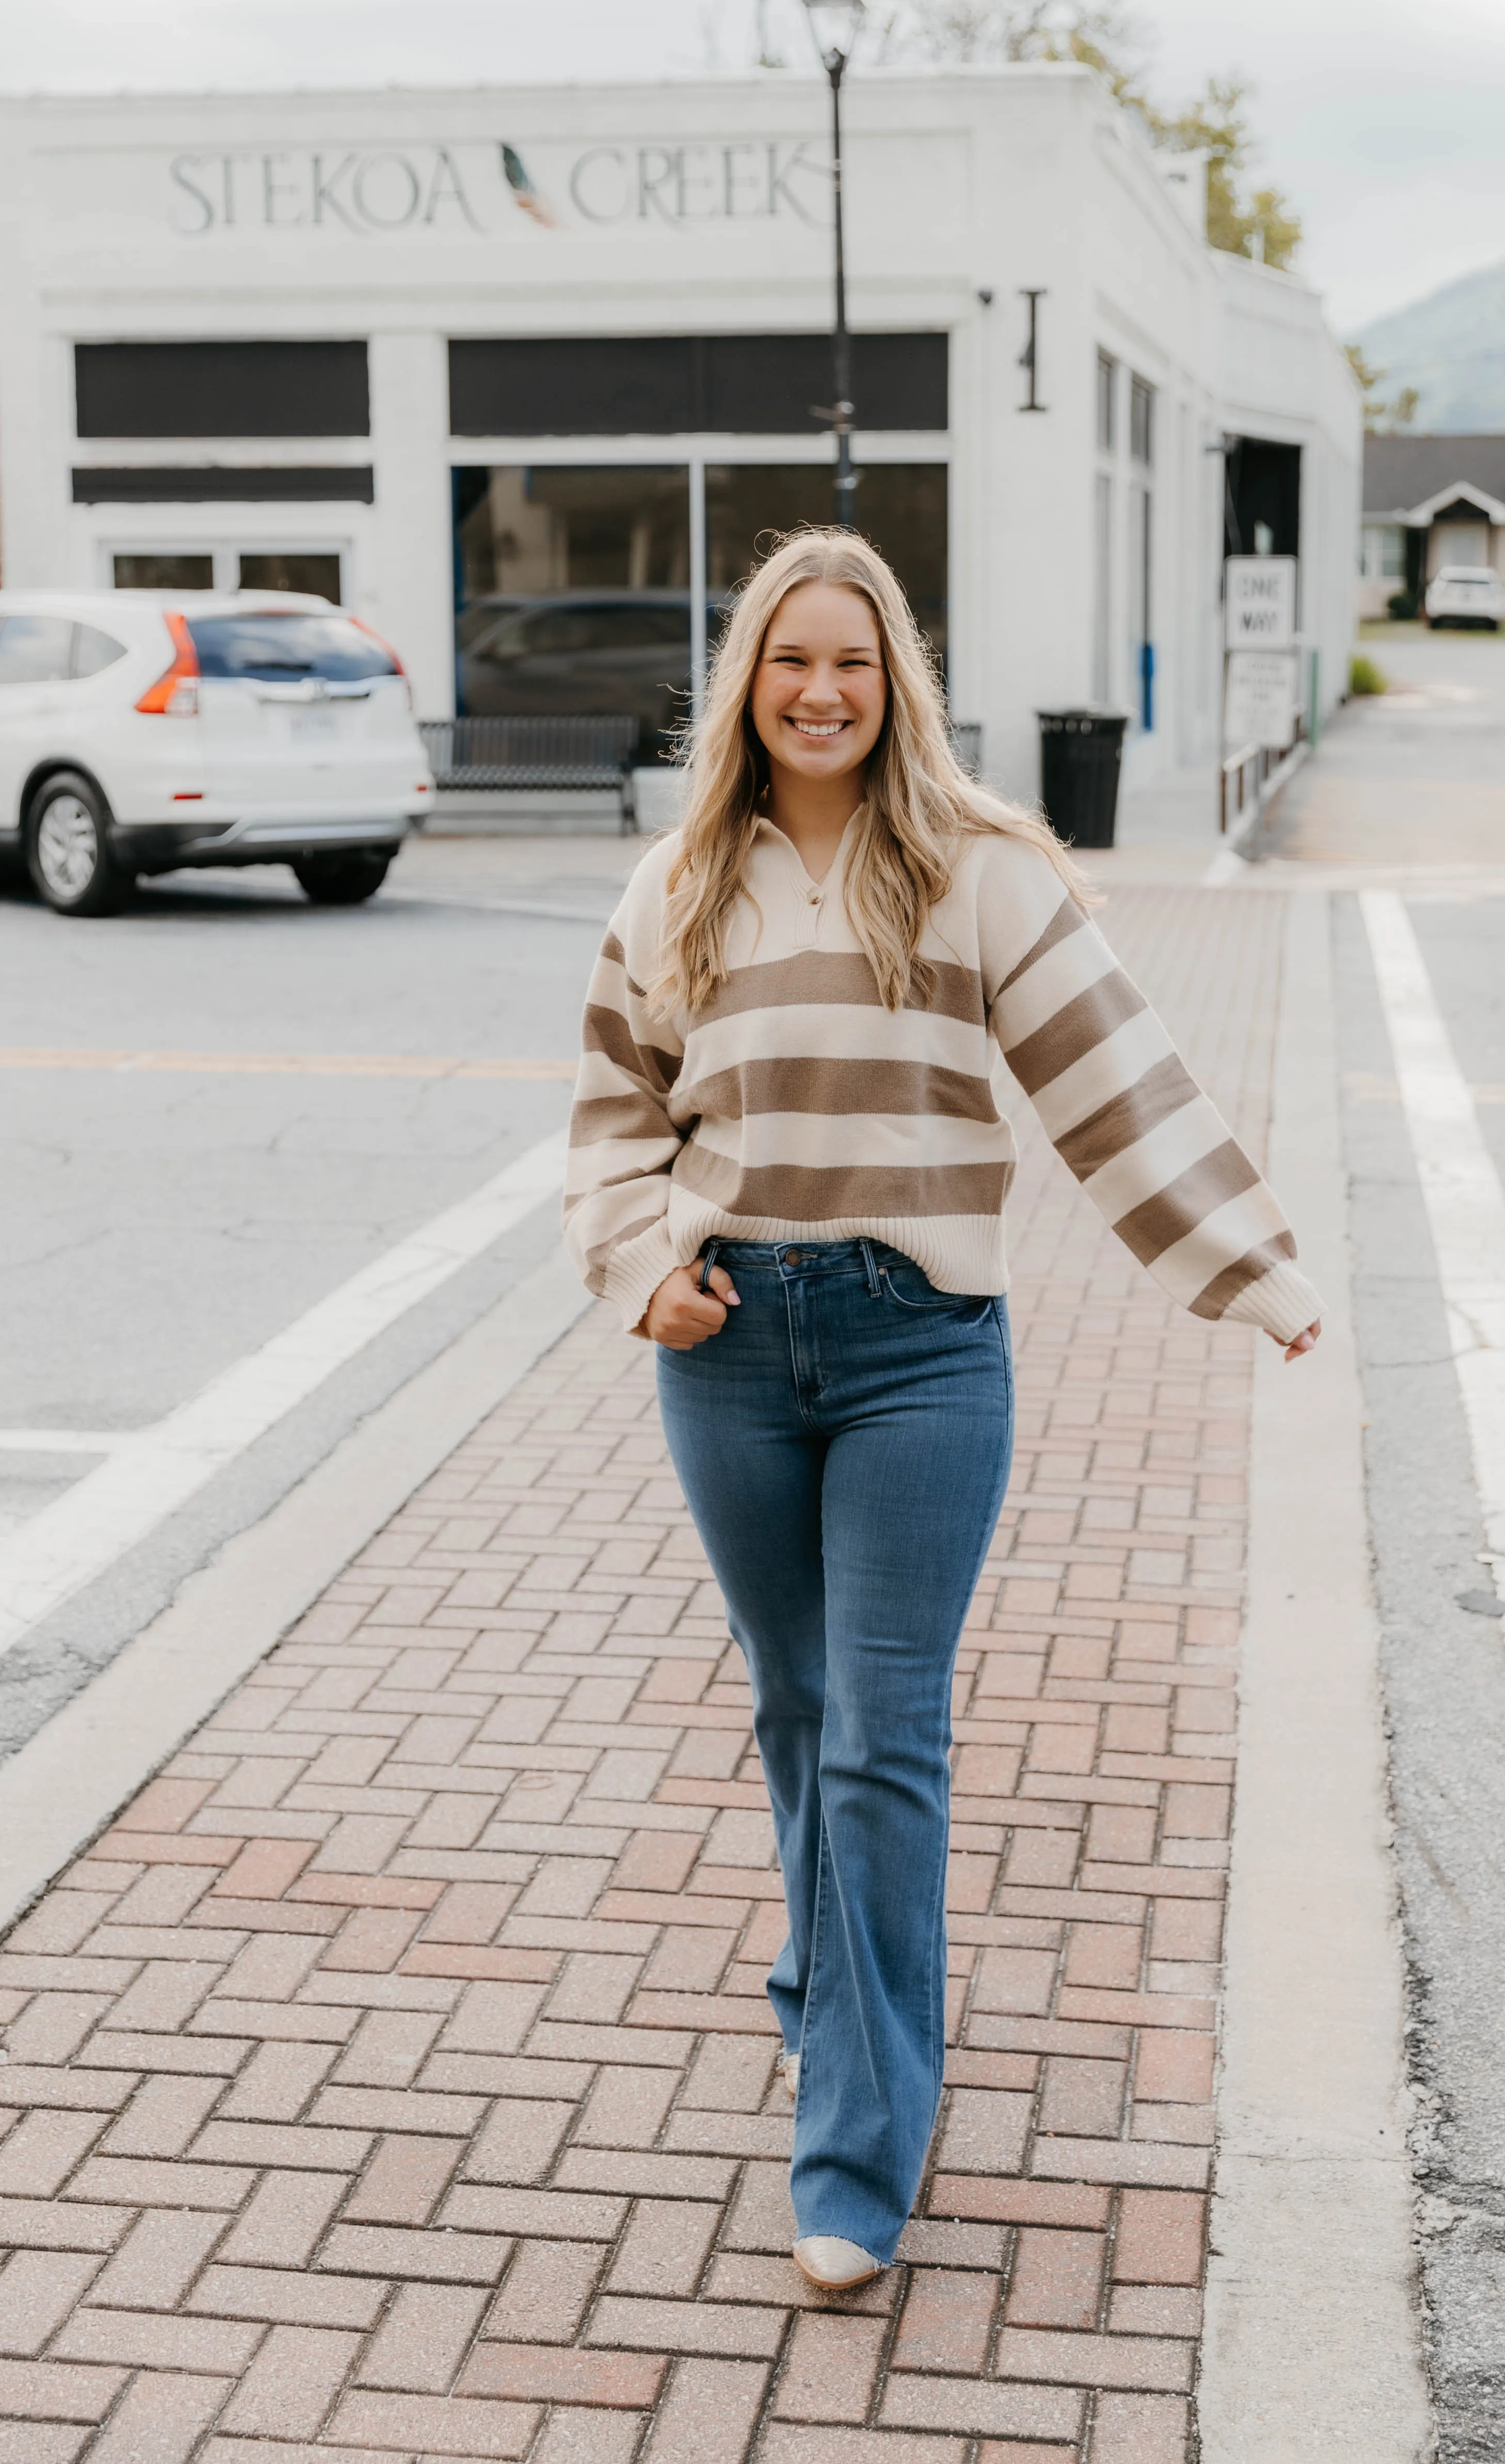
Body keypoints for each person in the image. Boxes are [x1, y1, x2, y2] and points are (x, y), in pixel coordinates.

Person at [564, 530, 1321, 2291]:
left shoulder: (978, 872)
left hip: (921, 1352)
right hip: (732, 1344)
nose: (819, 691)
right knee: (793, 1706)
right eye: (785, 662)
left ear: (895, 681)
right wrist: (639, 1272)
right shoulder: (677, 884)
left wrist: (1249, 1271)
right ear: (745, 684)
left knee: (879, 1736)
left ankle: (856, 2143)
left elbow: (1115, 1084)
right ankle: (833, 1996)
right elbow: (611, 1116)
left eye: (851, 662)